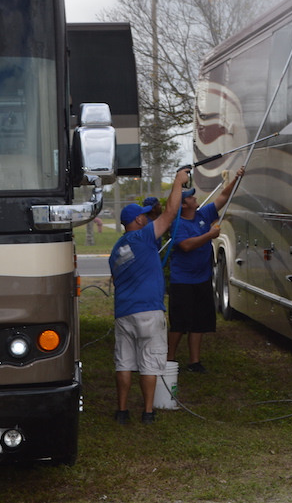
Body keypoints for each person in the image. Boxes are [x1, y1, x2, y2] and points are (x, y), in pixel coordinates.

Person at [108, 167, 189, 425]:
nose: (147, 218)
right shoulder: (143, 237)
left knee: (124, 363)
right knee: (150, 363)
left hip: (124, 313)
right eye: (144, 216)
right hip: (149, 312)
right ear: (139, 221)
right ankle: (148, 412)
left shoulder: (116, 249)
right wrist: (178, 182)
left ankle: (122, 412)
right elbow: (170, 213)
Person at [168, 166, 244, 373]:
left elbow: (223, 197)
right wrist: (209, 235)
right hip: (182, 281)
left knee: (199, 322)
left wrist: (236, 179)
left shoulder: (203, 214)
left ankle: (194, 361)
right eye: (190, 198)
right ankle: (170, 359)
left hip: (202, 279)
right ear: (183, 205)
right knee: (180, 323)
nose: (195, 199)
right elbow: (186, 245)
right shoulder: (177, 225)